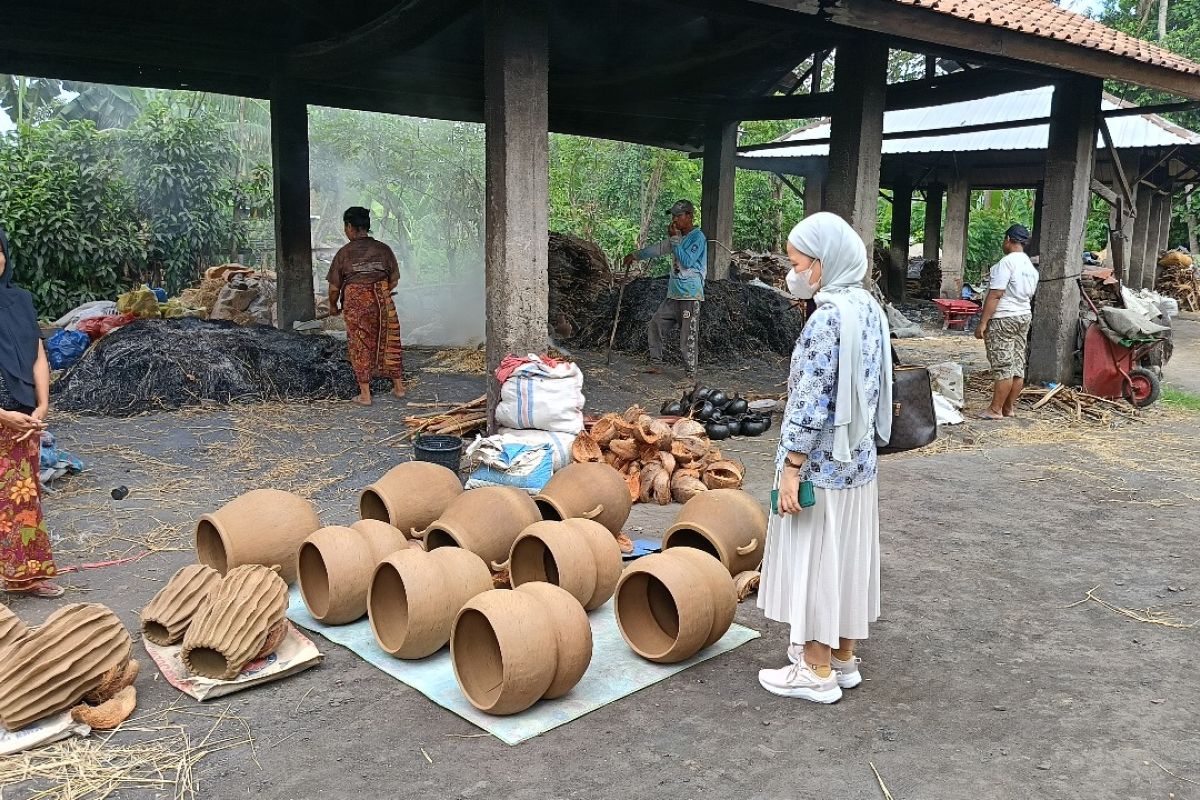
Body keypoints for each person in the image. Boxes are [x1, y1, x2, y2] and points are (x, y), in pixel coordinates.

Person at [757, 212, 893, 704]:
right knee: (846, 558)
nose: (791, 273)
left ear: (822, 263)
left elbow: (811, 400)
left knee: (817, 559)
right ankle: (842, 658)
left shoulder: (827, 318)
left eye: (797, 264)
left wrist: (791, 467)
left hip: (821, 465)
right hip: (857, 463)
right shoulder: (868, 309)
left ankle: (814, 672)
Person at [0, 223, 61, 598]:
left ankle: (24, 576)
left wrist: (41, 406)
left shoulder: (20, 300)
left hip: (22, 418)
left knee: (21, 499)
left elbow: (38, 354)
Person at [327, 207, 405, 406]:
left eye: (346, 227)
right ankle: (398, 388)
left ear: (350, 227)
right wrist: (379, 289)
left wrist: (333, 306)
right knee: (388, 339)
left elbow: (334, 287)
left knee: (359, 344)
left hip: (356, 302)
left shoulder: (344, 253)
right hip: (382, 299)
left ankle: (365, 395)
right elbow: (393, 281)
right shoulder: (383, 249)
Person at [622, 199, 707, 379]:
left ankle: (690, 376)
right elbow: (658, 249)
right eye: (674, 216)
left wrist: (675, 239)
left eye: (678, 216)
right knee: (655, 324)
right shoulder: (677, 238)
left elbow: (687, 261)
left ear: (689, 216)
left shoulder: (698, 237)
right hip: (674, 295)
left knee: (687, 338)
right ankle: (656, 363)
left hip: (690, 296)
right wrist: (635, 256)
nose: (675, 220)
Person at [974, 224, 1037, 420]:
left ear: (1008, 239)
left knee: (1003, 366)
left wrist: (983, 322)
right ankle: (1008, 408)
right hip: (1024, 316)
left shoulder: (1006, 263)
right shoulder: (1029, 266)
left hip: (1004, 318)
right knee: (1017, 365)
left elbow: (996, 294)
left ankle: (995, 410)